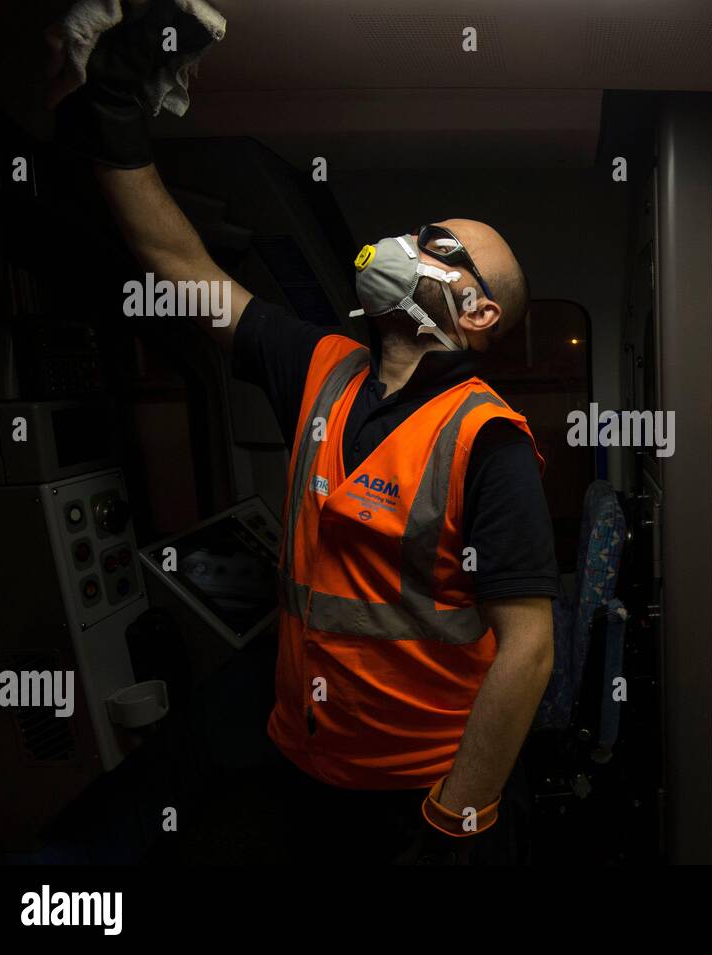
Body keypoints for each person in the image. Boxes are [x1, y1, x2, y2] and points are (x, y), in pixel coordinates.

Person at [54, 1, 556, 865]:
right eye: (416, 229)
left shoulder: (488, 442)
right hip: (304, 761)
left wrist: (455, 816)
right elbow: (183, 268)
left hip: (414, 790)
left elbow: (530, 649)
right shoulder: (320, 362)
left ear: (474, 310)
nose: (404, 243)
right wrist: (115, 122)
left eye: (435, 245)